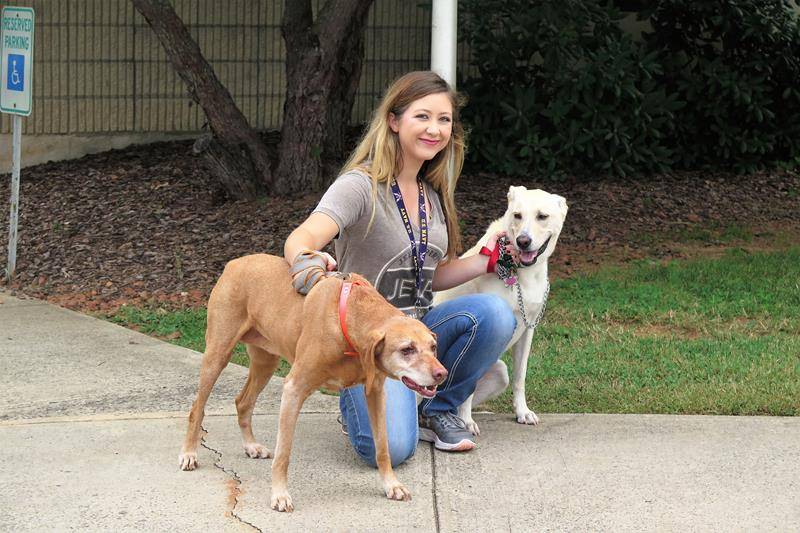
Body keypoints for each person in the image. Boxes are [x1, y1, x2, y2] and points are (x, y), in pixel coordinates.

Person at [284, 71, 516, 467]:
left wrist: (487, 260)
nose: (435, 129)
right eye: (422, 117)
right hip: (370, 345)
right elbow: (299, 240)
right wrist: (310, 264)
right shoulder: (359, 185)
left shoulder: (432, 193)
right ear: (394, 120)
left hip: (420, 334)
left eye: (444, 120)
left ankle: (435, 407)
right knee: (392, 450)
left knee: (495, 314)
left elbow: (431, 277)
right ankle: (361, 403)